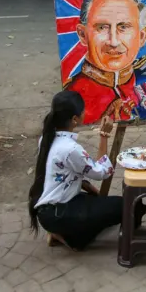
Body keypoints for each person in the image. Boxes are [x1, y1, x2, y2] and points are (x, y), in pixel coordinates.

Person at [65, 0, 146, 124]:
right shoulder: (71, 96)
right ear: (83, 35)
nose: (113, 42)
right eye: (102, 27)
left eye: (124, 27)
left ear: (142, 36)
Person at [28, 90, 122, 251]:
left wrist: (88, 187)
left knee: (103, 206)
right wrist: (104, 135)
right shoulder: (70, 149)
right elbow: (102, 172)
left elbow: (66, 173)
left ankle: (65, 233)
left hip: (50, 208)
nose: (85, 112)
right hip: (58, 213)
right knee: (124, 207)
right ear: (74, 119)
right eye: (83, 110)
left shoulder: (47, 137)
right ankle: (67, 236)